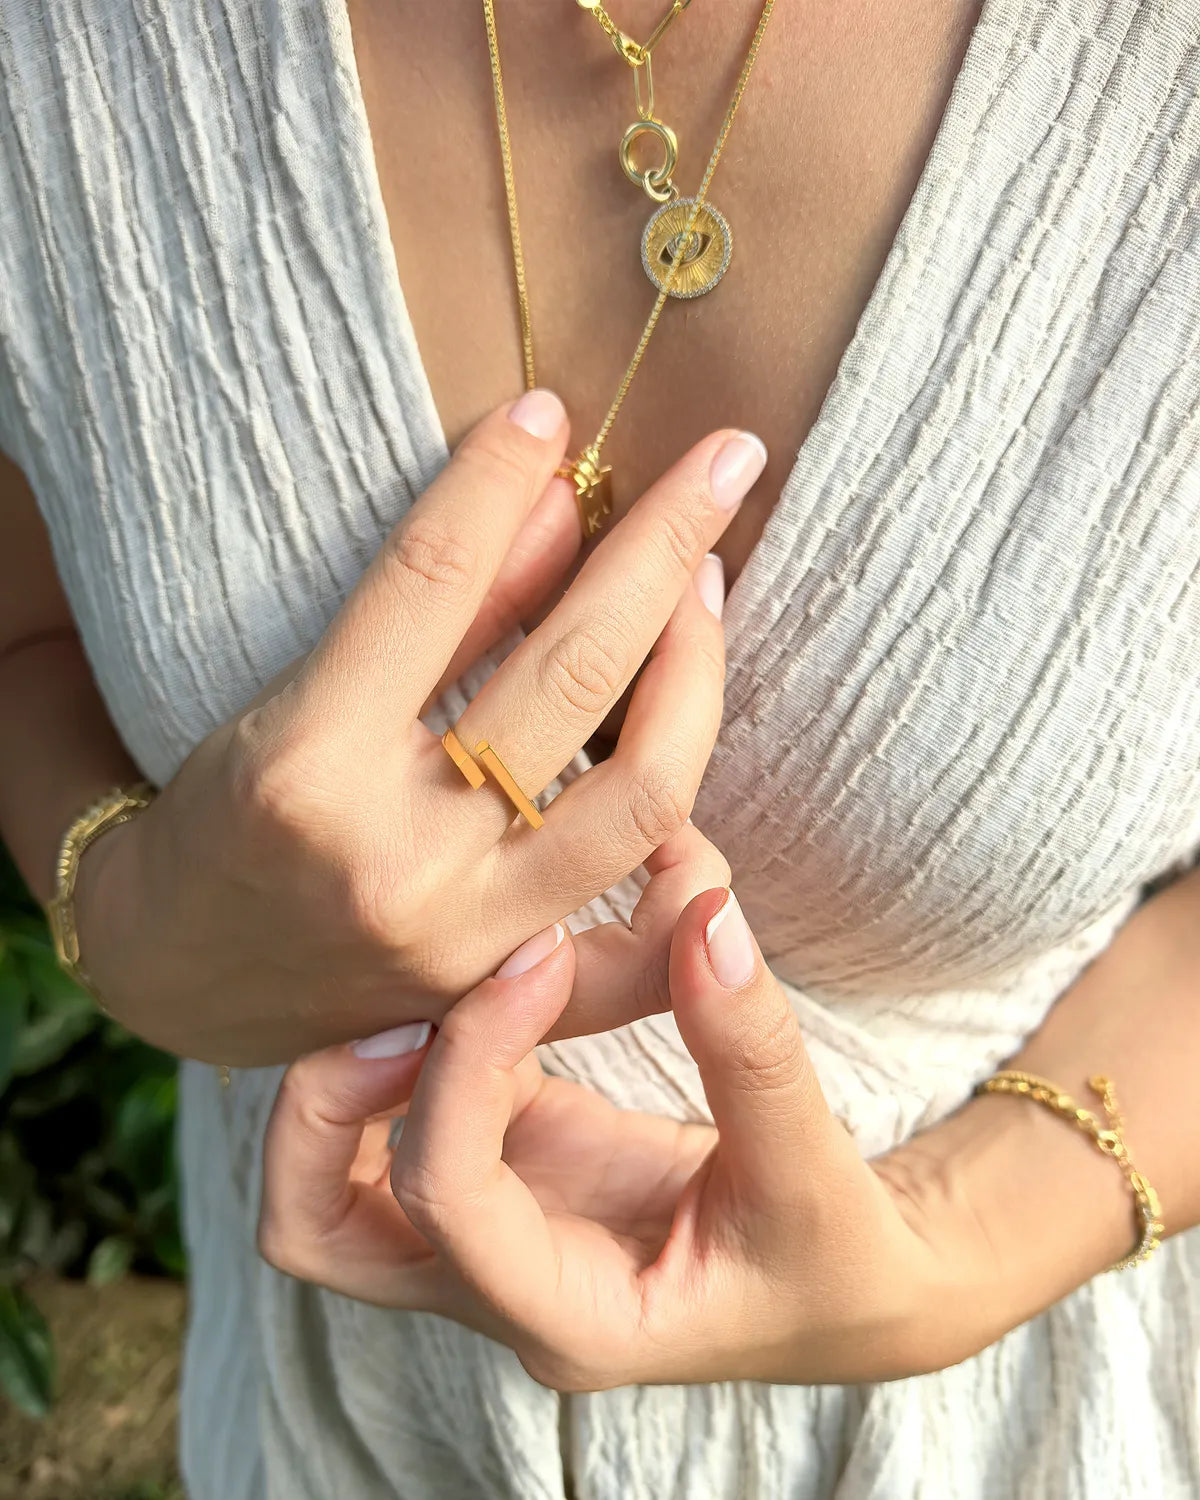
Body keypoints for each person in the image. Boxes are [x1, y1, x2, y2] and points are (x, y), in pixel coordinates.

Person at [1, 1, 1198, 1495]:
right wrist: (120, 914)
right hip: (335, 1417)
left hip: (1036, 1422)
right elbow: (25, 634)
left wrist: (952, 1243)